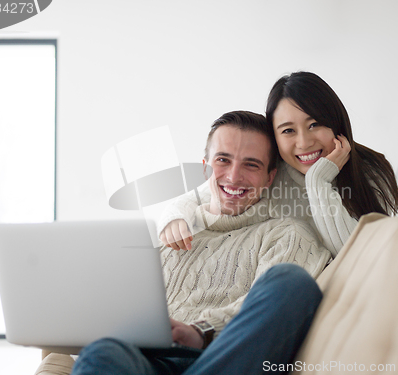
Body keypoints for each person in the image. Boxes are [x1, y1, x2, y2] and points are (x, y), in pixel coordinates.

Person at [71, 111, 330, 375]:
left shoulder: (286, 235)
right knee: (102, 352)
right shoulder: (167, 234)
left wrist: (202, 331)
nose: (234, 176)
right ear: (205, 167)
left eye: (251, 165)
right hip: (145, 362)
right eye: (223, 160)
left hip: (221, 357)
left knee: (292, 281)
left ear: (269, 178)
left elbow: (279, 304)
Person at [159, 72, 398, 257]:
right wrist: (174, 219)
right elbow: (200, 194)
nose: (304, 142)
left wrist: (318, 181)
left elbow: (355, 258)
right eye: (288, 130)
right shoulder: (268, 171)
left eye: (314, 125)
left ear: (336, 123)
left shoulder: (370, 172)